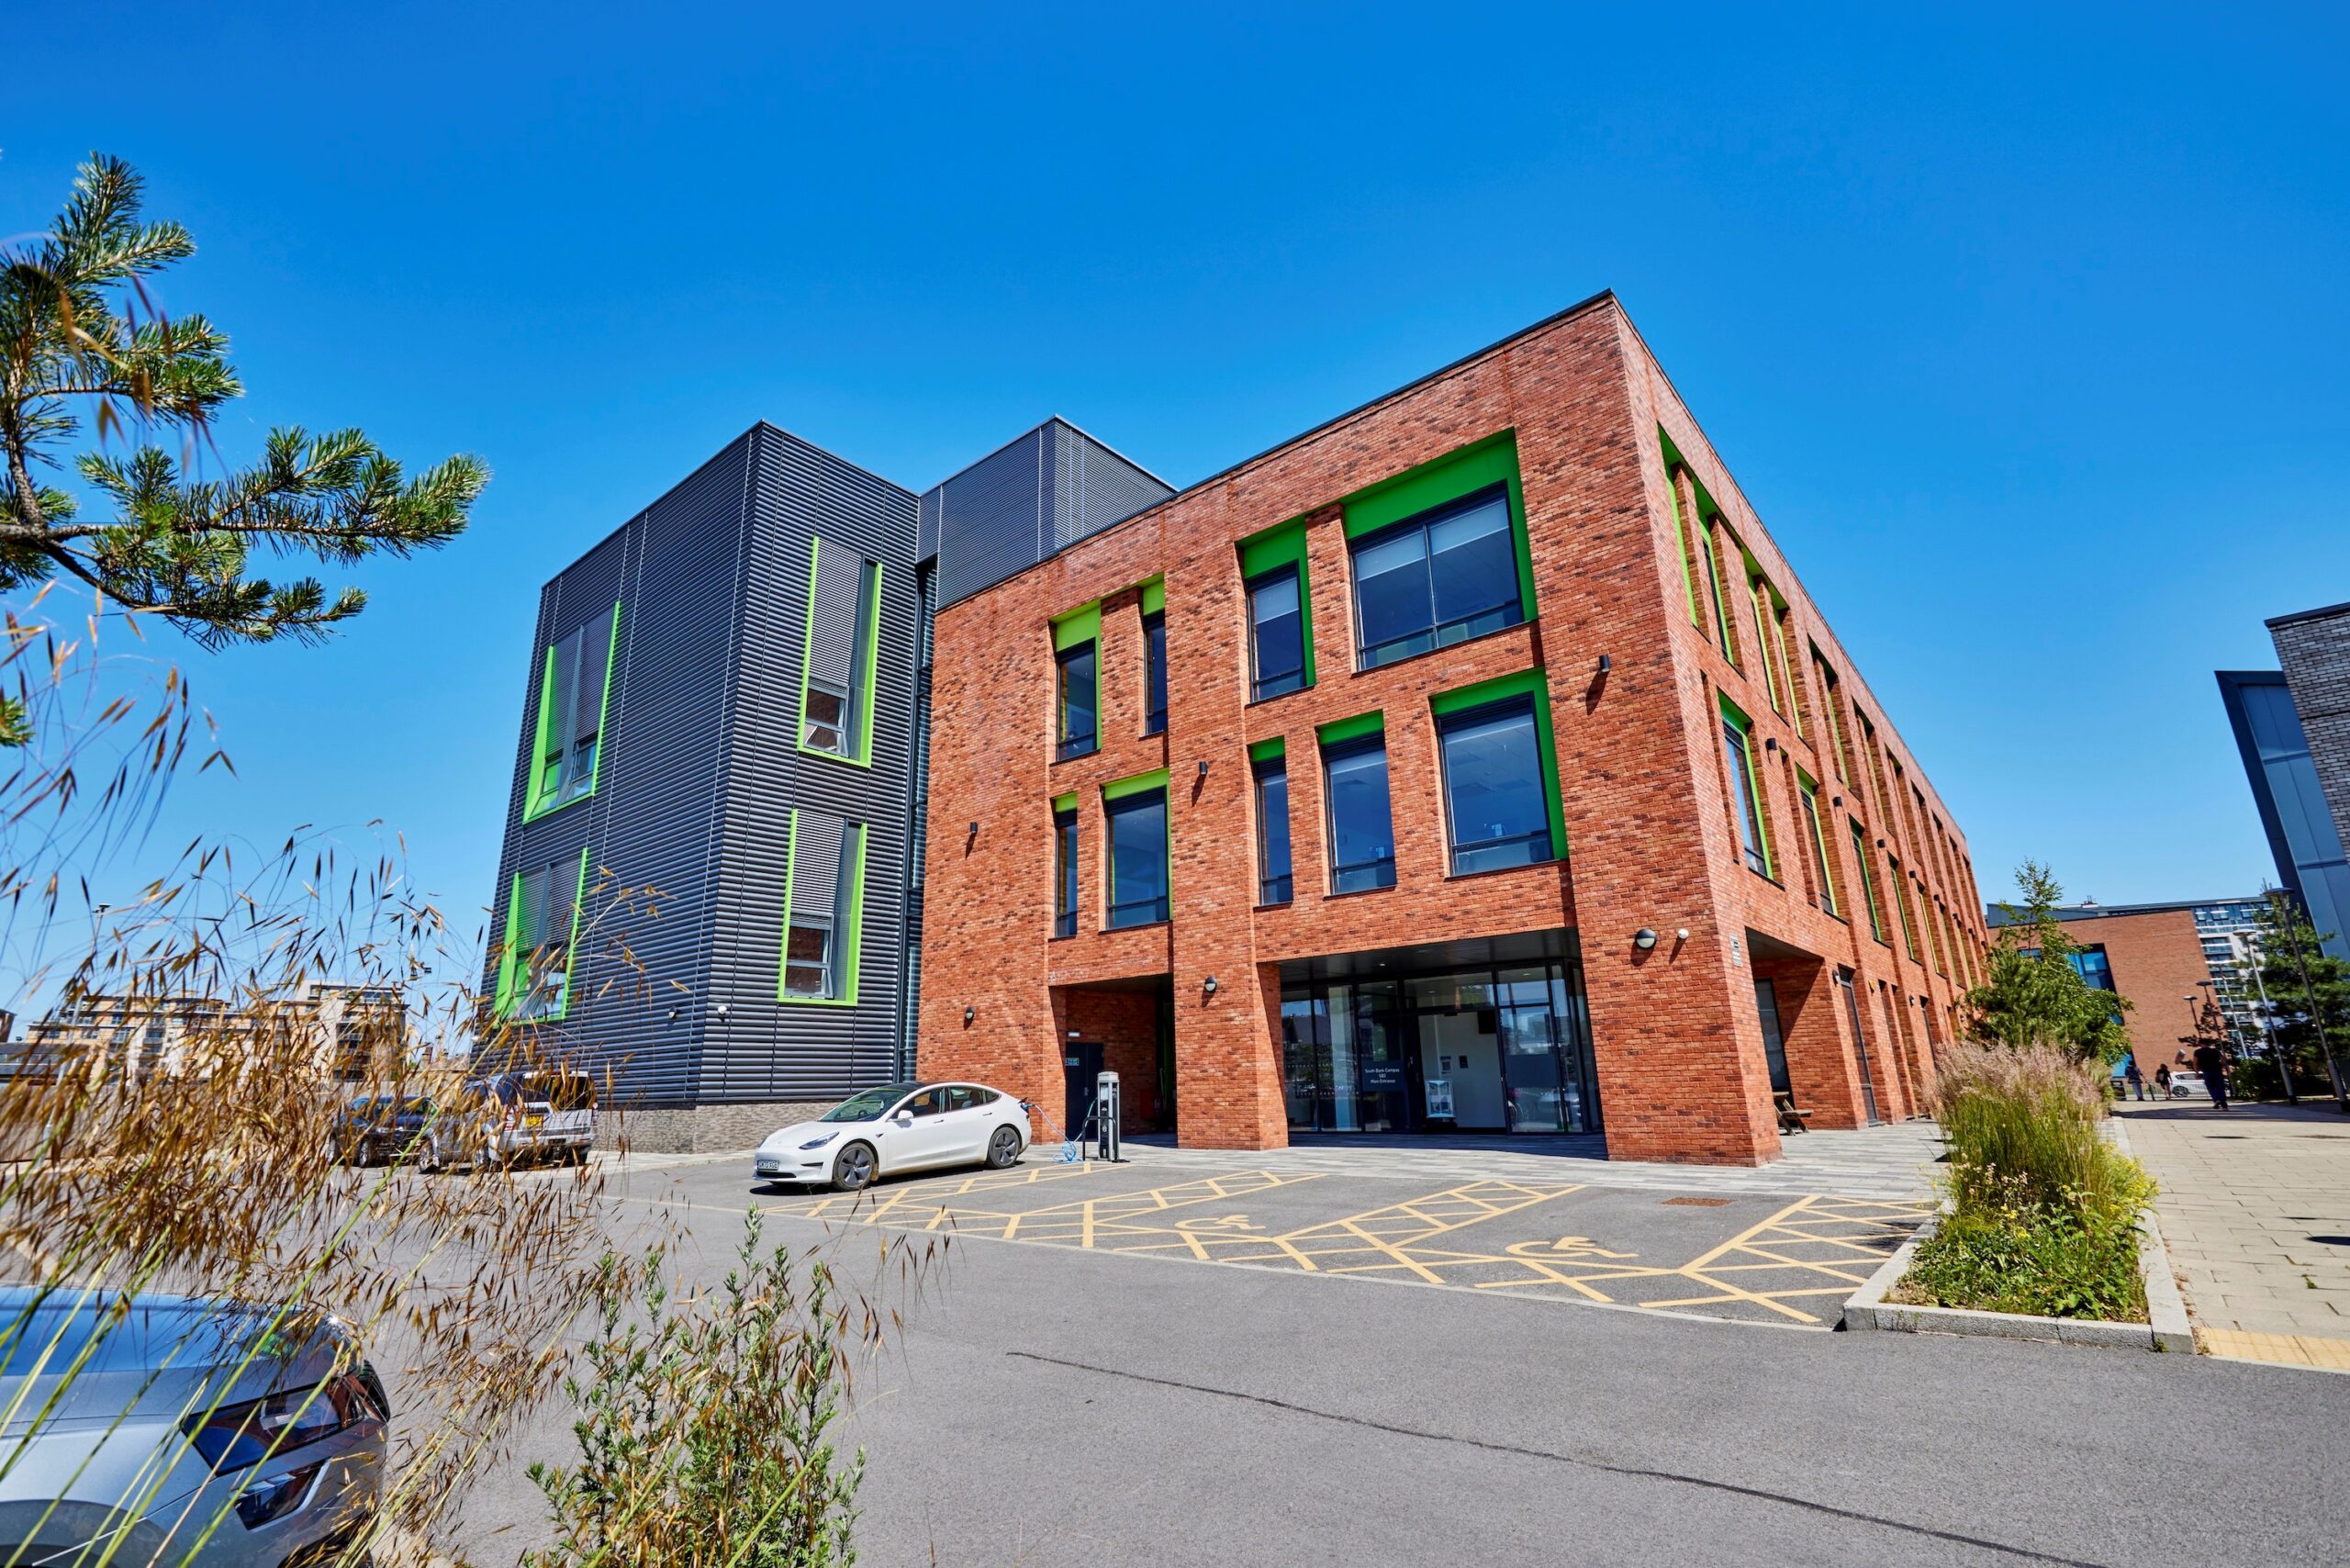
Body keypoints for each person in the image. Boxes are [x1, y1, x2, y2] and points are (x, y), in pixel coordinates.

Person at [2192, 1037, 2232, 1110]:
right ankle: (2223, 1103)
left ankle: (2216, 1099)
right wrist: (2222, 1066)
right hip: (2217, 1070)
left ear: (2201, 1043)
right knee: (2220, 1087)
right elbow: (2223, 1061)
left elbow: (2195, 1063)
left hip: (2206, 1071)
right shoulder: (2215, 1051)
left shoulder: (2198, 1052)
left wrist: (2197, 1072)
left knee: (2211, 1086)